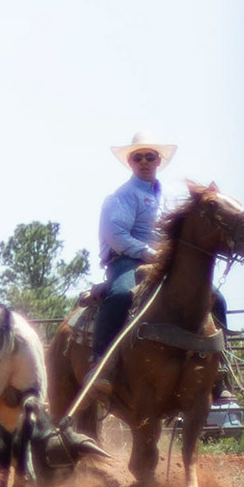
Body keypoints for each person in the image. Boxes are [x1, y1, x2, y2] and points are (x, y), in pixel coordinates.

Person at [89, 134, 176, 356]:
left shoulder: (170, 197)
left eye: (149, 157)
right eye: (138, 158)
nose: (144, 162)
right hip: (127, 261)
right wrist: (150, 253)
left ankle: (219, 363)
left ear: (158, 160)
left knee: (211, 296)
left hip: (166, 261)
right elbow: (116, 235)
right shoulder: (123, 195)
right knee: (122, 295)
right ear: (130, 162)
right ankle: (100, 358)